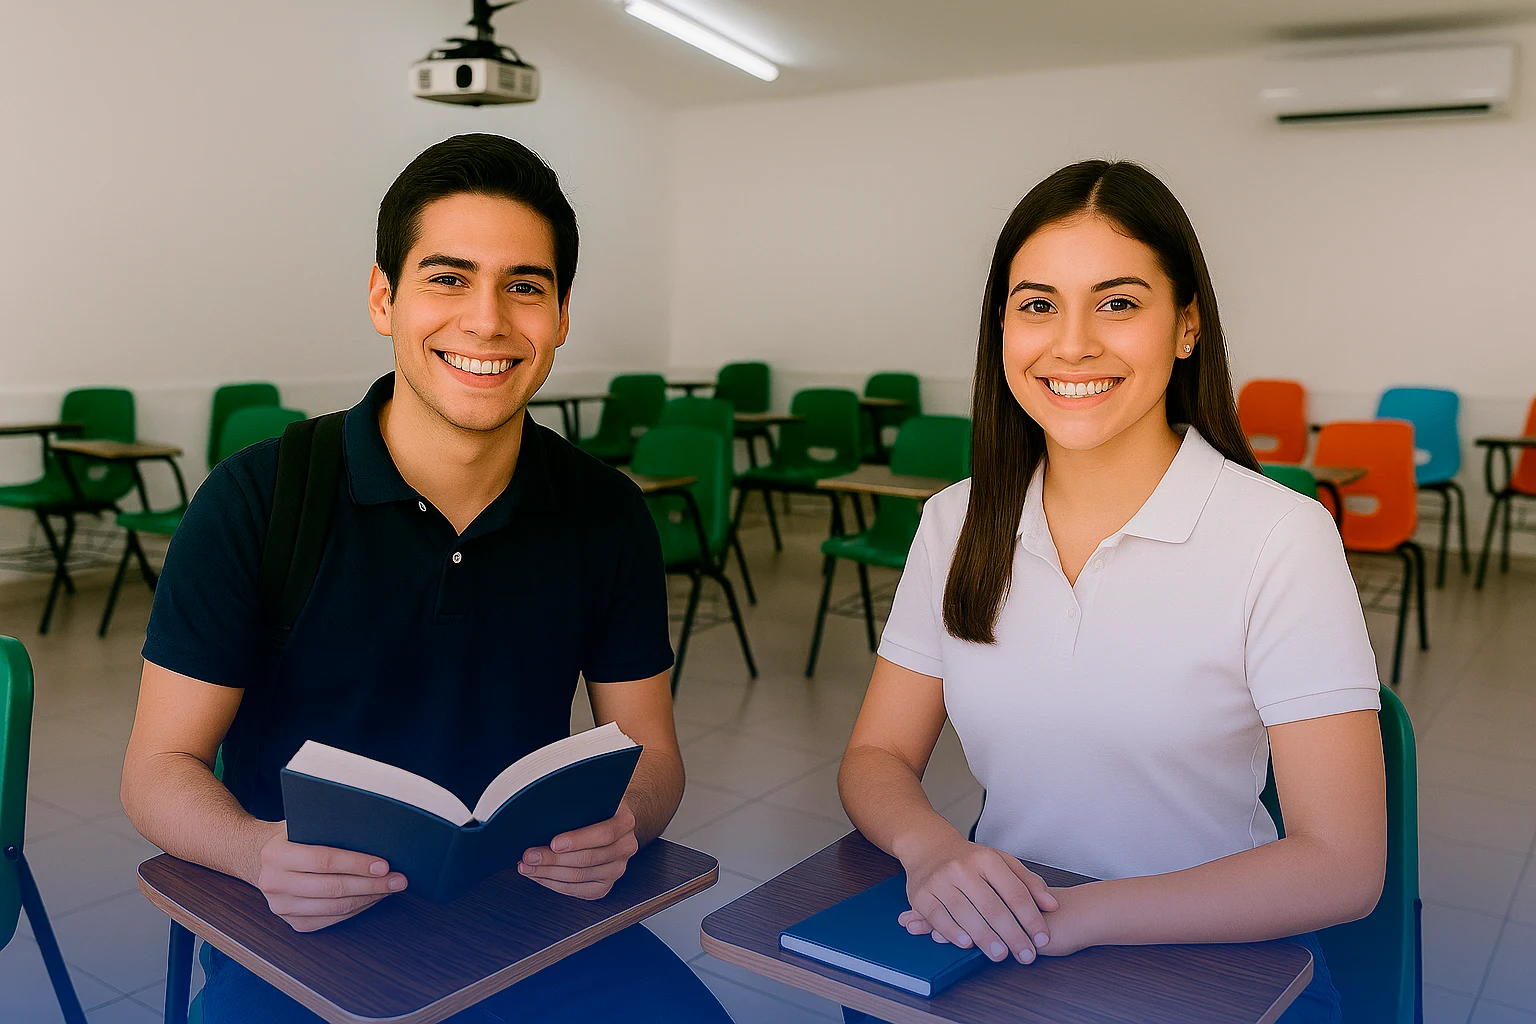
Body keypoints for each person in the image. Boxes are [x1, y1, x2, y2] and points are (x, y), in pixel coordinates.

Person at [120, 134, 731, 1023]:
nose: (487, 321)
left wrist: (626, 822)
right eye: (448, 278)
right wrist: (257, 853)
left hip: (535, 920)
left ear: (560, 315)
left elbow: (654, 754)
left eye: (524, 285)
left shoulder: (605, 513)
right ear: (384, 297)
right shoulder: (258, 498)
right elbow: (157, 767)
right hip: (305, 929)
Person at [837, 160, 1385, 1023]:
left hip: (1215, 961)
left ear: (1186, 327)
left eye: (1119, 302)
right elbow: (876, 759)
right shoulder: (955, 522)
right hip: (1005, 944)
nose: (1072, 343)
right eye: (1037, 304)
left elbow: (1343, 865)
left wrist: (1074, 922)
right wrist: (933, 848)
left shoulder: (1281, 534)